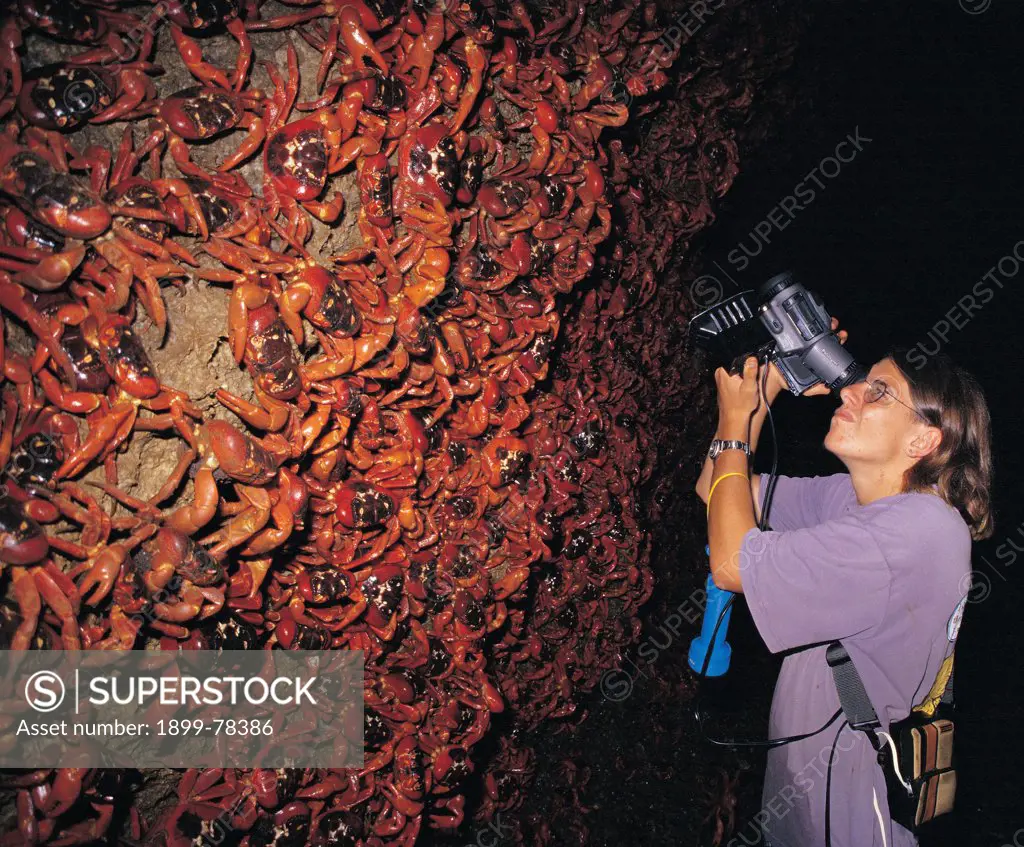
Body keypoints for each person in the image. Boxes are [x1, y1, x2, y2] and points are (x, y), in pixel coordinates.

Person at [694, 321, 993, 847]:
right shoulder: (852, 502)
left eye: (879, 392)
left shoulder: (922, 530)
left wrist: (735, 420)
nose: (849, 389)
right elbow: (717, 488)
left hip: (855, 808)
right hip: (800, 798)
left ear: (924, 439)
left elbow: (731, 565)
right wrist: (765, 397)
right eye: (861, 381)